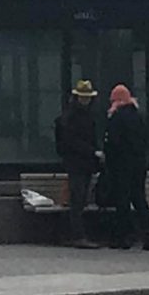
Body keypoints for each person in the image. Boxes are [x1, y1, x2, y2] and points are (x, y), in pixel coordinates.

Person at [102, 84, 149, 251]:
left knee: (122, 200)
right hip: (139, 164)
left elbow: (112, 143)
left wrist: (108, 159)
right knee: (139, 198)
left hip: (121, 165)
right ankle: (148, 236)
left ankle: (123, 237)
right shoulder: (139, 116)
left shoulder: (116, 118)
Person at [54, 80, 102, 249]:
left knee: (79, 199)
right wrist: (92, 152)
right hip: (77, 163)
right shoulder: (72, 117)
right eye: (83, 97)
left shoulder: (80, 115)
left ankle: (73, 234)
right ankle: (77, 235)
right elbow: (71, 141)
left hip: (83, 163)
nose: (86, 100)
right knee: (77, 199)